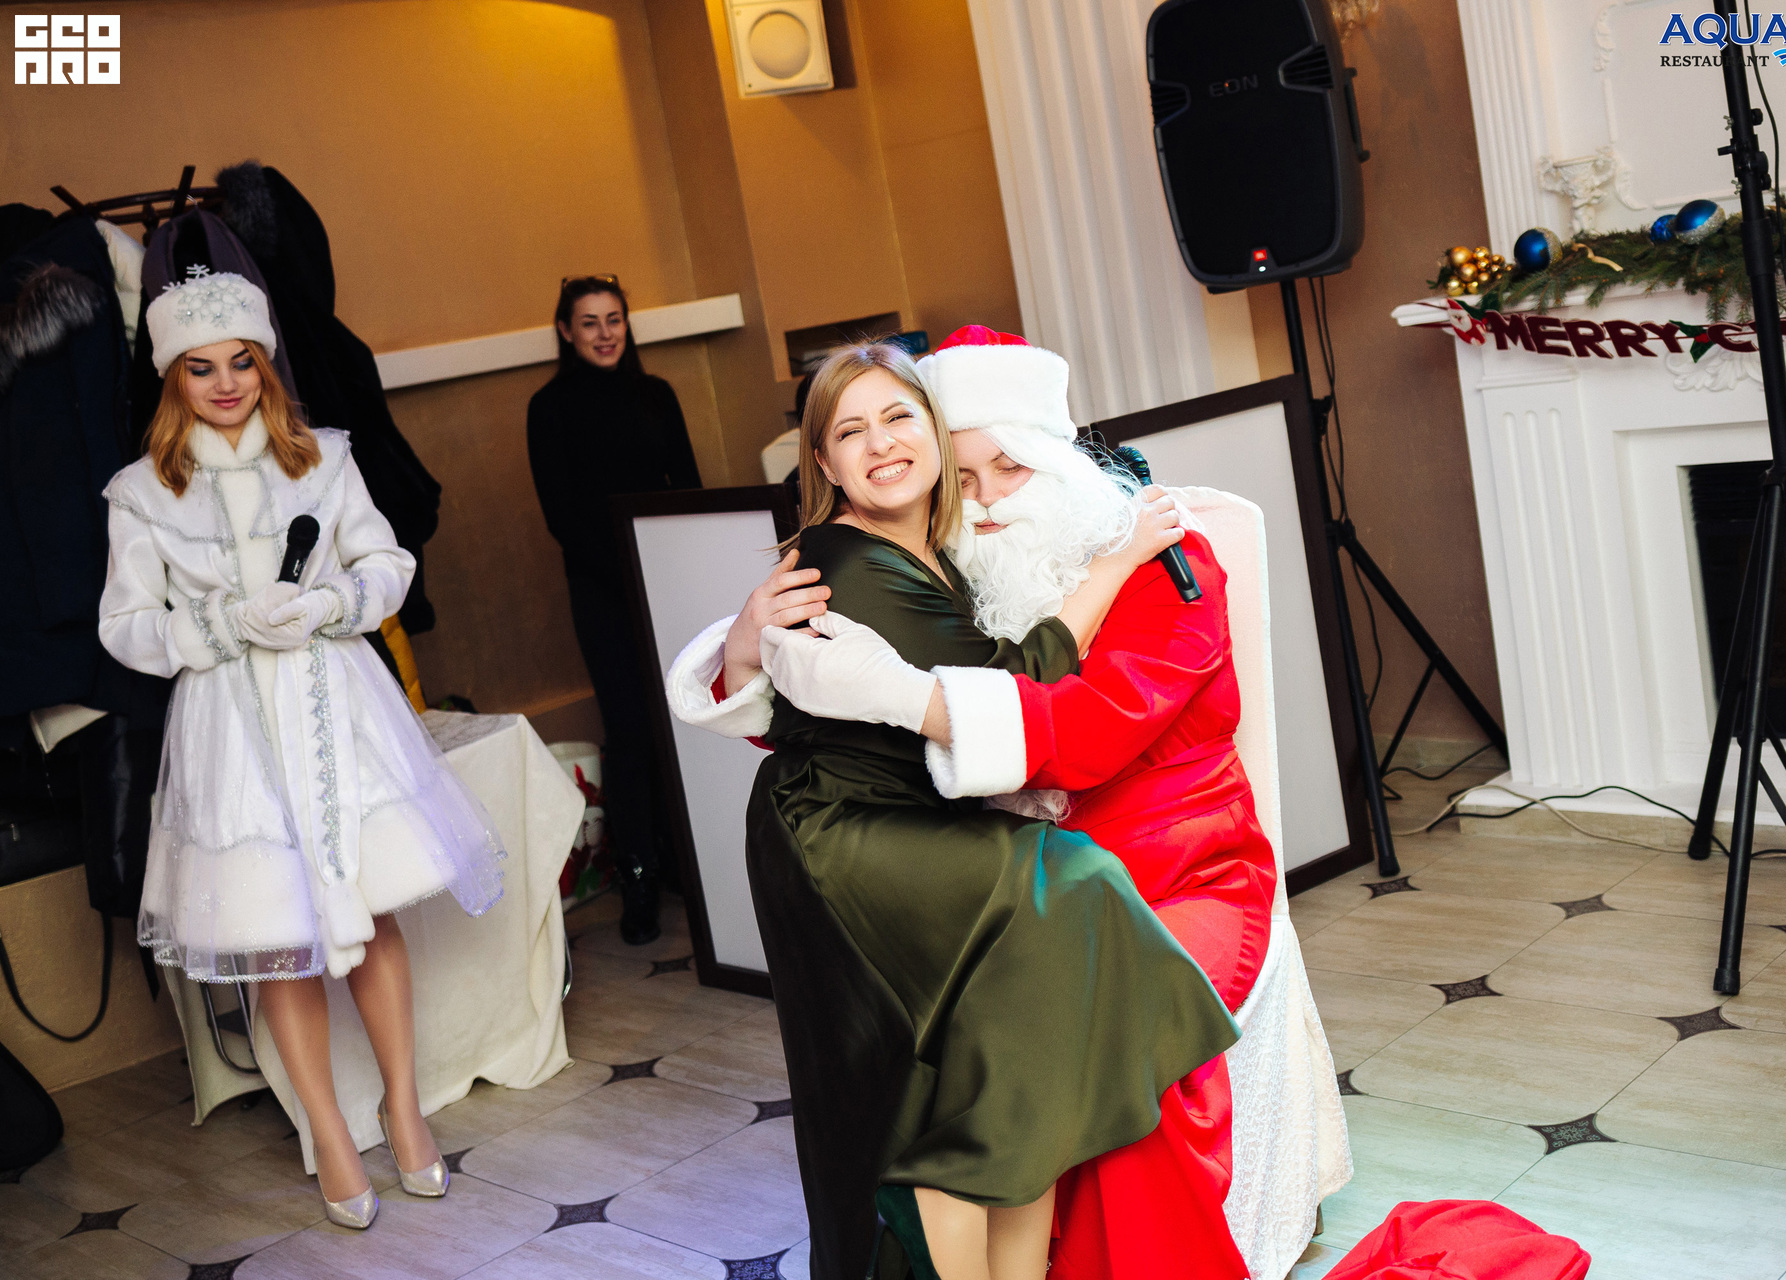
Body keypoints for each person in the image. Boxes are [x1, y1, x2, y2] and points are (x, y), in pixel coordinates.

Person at [674, 326, 1350, 1278]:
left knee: (1092, 1022)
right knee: (1000, 1039)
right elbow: (831, 724)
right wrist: (751, 643)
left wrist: (905, 696)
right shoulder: (948, 570)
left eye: (1010, 469)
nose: (987, 498)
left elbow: (1088, 730)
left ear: (1059, 464)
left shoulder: (1166, 564)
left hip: (1179, 863)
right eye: (967, 476)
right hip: (967, 861)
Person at [98, 273, 506, 1230]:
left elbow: (387, 564)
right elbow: (124, 626)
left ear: (265, 364)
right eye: (201, 368)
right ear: (173, 378)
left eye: (241, 362)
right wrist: (220, 624)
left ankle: (402, 1107)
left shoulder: (323, 458)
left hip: (336, 704)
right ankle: (329, 1133)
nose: (226, 384)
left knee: (371, 911)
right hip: (228, 726)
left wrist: (329, 603)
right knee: (279, 939)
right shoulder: (142, 492)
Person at [526, 274, 701, 945]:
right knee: (629, 731)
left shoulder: (658, 395)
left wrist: (676, 569)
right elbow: (561, 515)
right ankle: (638, 877)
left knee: (680, 718)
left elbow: (687, 488)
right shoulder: (550, 407)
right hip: (602, 591)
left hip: (668, 578)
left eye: (615, 319)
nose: (605, 334)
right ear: (565, 332)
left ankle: (687, 863)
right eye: (589, 322)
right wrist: (628, 572)